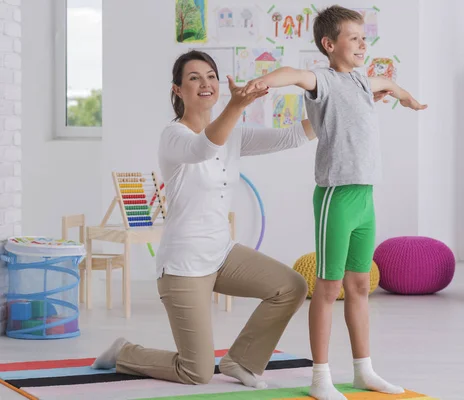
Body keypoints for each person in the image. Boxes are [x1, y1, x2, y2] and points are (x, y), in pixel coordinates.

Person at [90, 50, 389, 389]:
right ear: (177, 90)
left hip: (222, 254)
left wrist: (348, 106)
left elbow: (291, 136)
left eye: (210, 76)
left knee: (290, 286)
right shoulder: (173, 136)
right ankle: (125, 352)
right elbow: (203, 148)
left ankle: (241, 361)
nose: (205, 83)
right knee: (197, 371)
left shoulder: (234, 132)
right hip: (183, 266)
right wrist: (237, 105)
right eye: (194, 78)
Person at [242, 5, 428, 400]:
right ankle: (320, 377)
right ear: (329, 44)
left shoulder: (361, 82)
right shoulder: (321, 80)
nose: (363, 44)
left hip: (365, 197)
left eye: (364, 37)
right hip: (336, 196)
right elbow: (291, 75)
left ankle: (364, 371)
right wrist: (262, 81)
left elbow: (387, 84)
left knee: (360, 285)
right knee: (328, 288)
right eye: (354, 38)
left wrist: (408, 98)